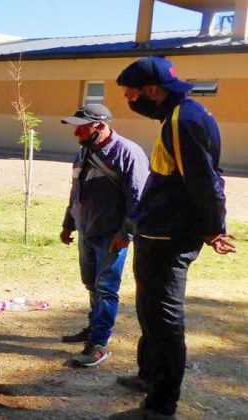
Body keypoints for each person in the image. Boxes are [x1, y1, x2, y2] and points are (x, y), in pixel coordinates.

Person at [111, 56, 236, 419]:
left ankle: (162, 404)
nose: (129, 101)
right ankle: (149, 374)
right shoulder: (181, 116)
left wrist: (214, 228)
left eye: (132, 94)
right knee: (149, 311)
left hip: (170, 237)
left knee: (165, 319)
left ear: (153, 90)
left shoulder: (185, 120)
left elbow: (206, 181)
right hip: (155, 232)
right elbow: (167, 179)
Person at [59, 104, 149, 367]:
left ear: (99, 126)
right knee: (91, 283)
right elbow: (76, 191)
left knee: (106, 288)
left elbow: (138, 198)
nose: (76, 132)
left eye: (82, 127)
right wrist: (68, 223)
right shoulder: (83, 151)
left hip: (112, 235)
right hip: (87, 230)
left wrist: (126, 234)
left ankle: (99, 344)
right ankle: (93, 326)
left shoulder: (128, 152)